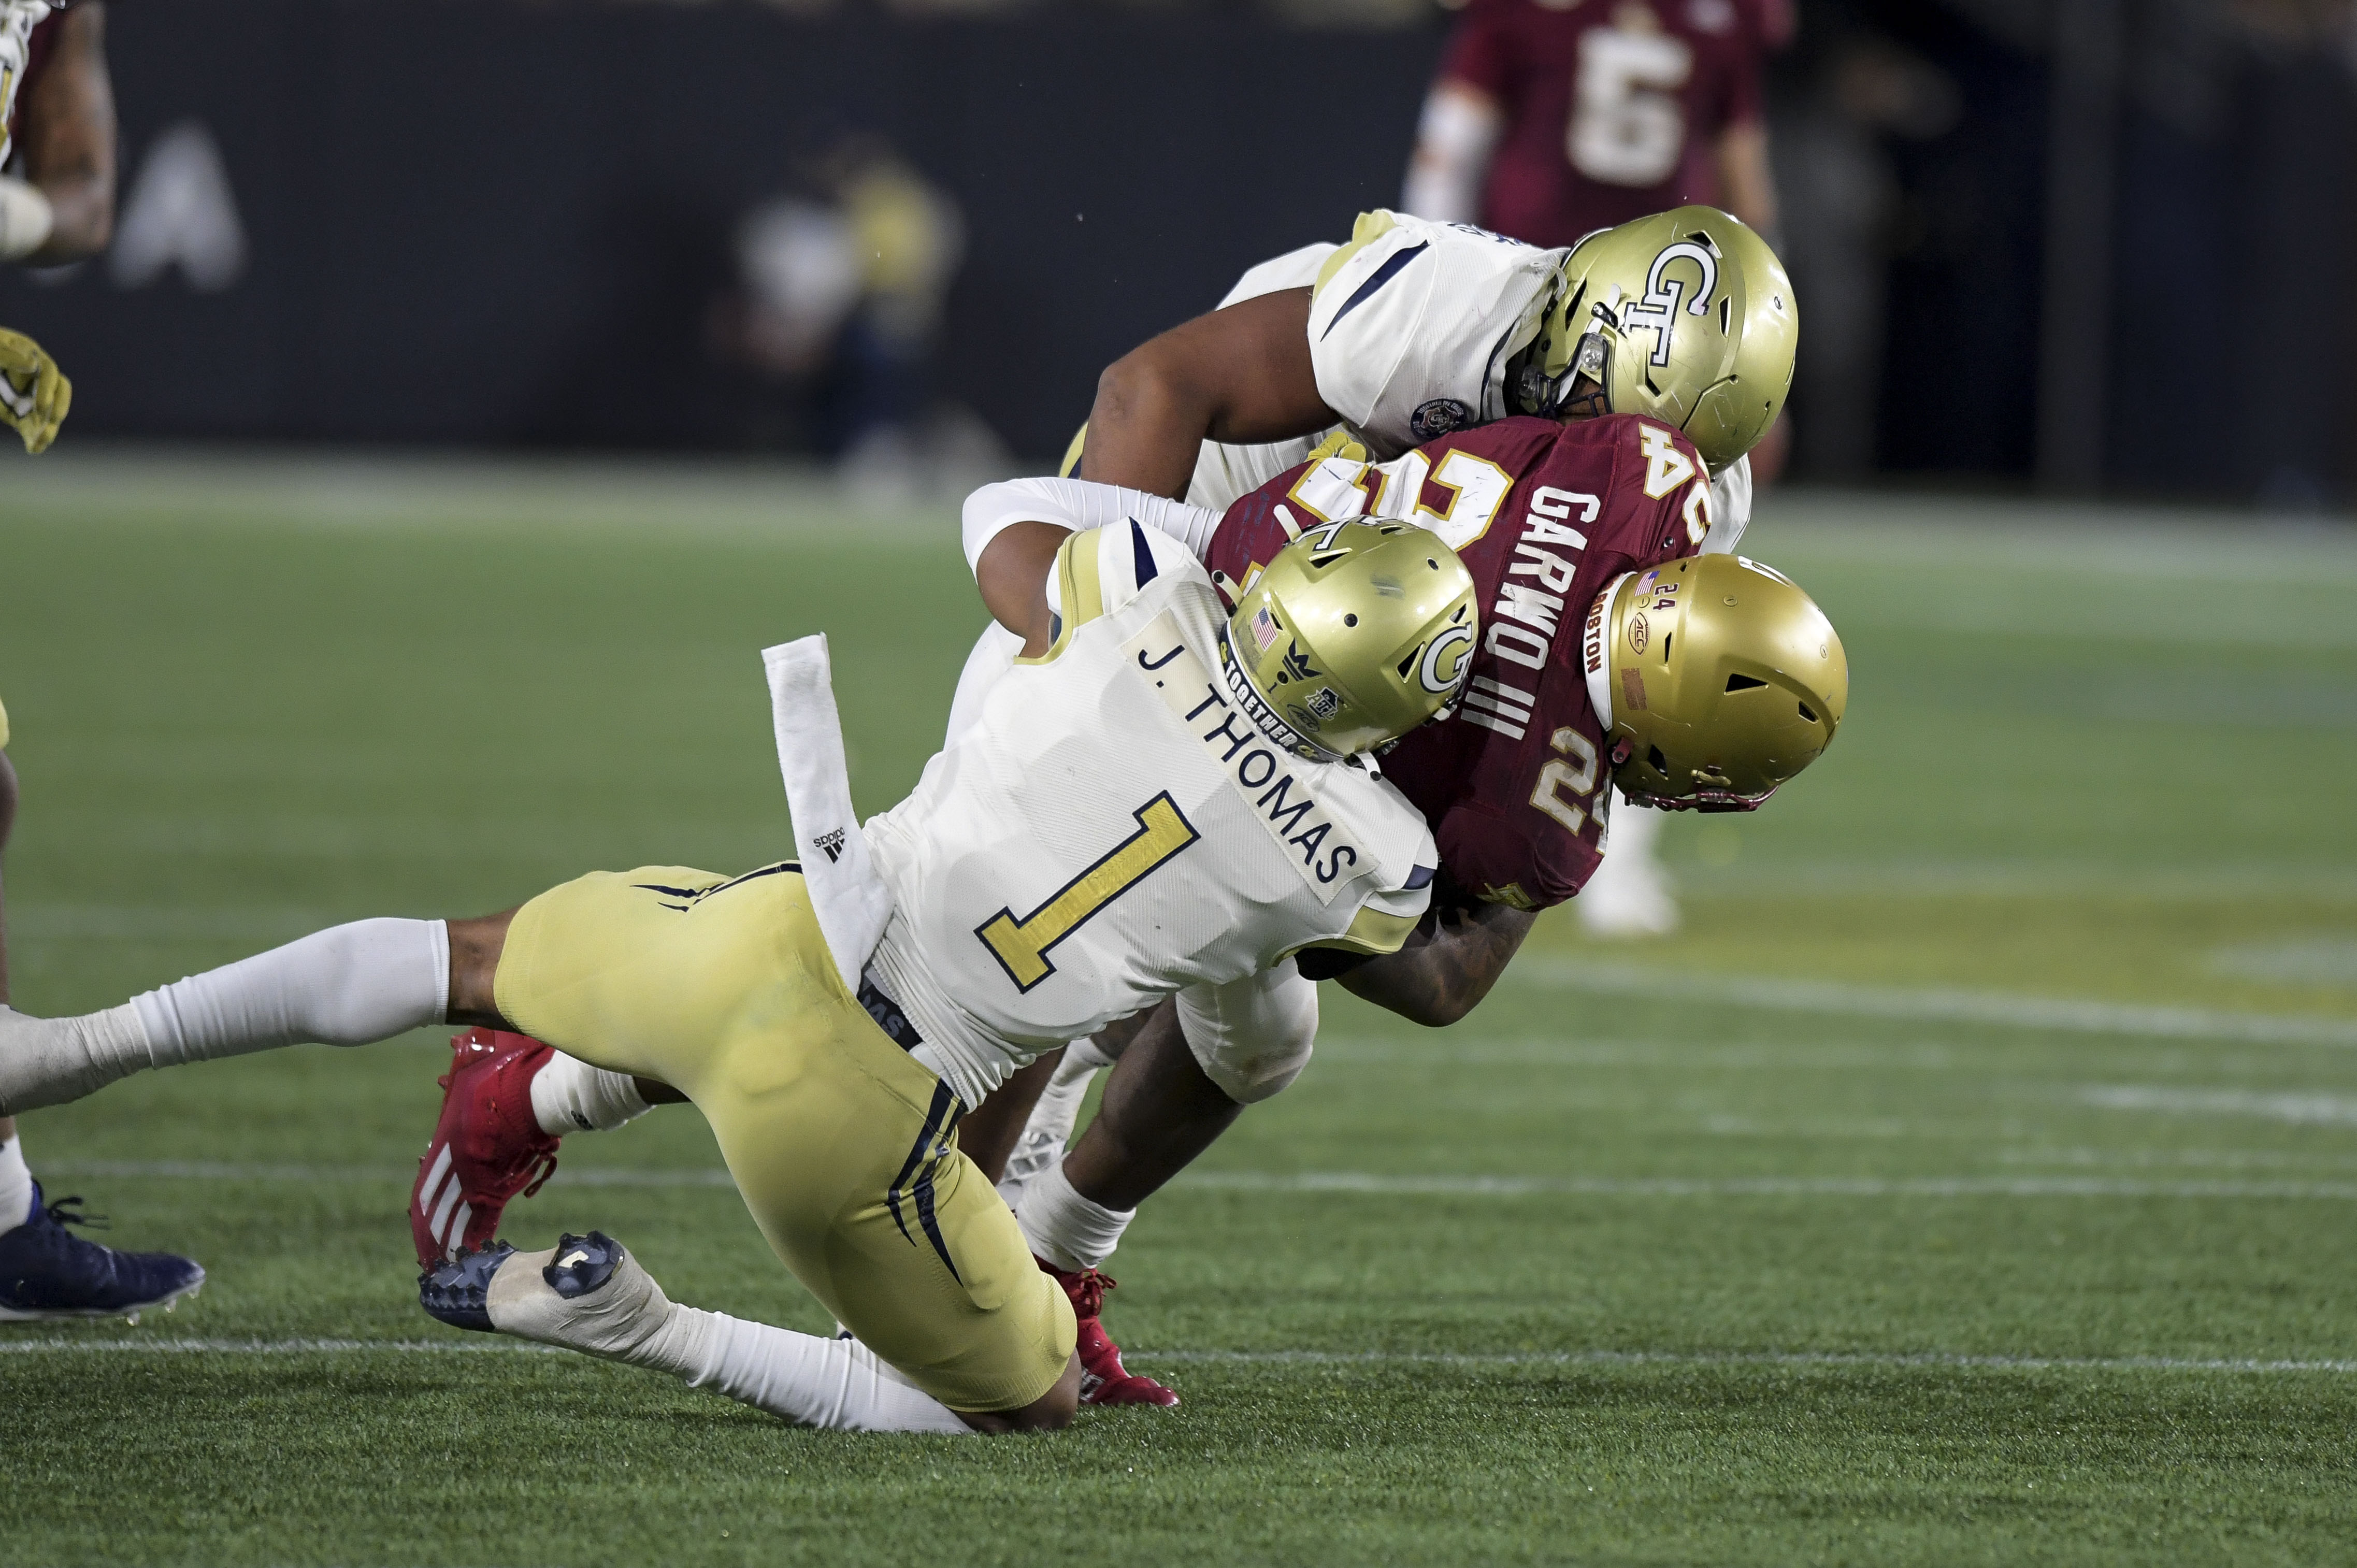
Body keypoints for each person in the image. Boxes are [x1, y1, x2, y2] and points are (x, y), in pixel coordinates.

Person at [410, 208, 1812, 1406]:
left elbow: (1468, 936)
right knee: (983, 947)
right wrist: (1106, 688)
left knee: (1238, 1021)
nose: (1619, 458)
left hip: (1398, 644)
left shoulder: (1678, 500)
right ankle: (568, 1094)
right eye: (1595, 420)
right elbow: (1155, 387)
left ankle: (1052, 1256)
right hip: (1218, 542)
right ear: (1560, 335)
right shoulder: (1451, 308)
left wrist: (1355, 863)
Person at [0, 511, 1482, 1432]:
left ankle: (69, 1046)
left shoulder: (1140, 593)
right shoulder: (1368, 855)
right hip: (857, 1107)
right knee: (1024, 1400)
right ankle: (639, 1321)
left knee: (463, 959)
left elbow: (1012, 530)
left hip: (760, 931)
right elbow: (1408, 964)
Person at [1398, 1, 1792, 936]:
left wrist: (1428, 269)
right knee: (1656, 597)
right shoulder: (1720, 19)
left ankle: (1457, 808)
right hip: (1682, 347)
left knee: (1492, 551)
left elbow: (1448, 146)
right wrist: (1764, 365)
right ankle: (1587, 843)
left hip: (1537, 313)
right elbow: (1748, 193)